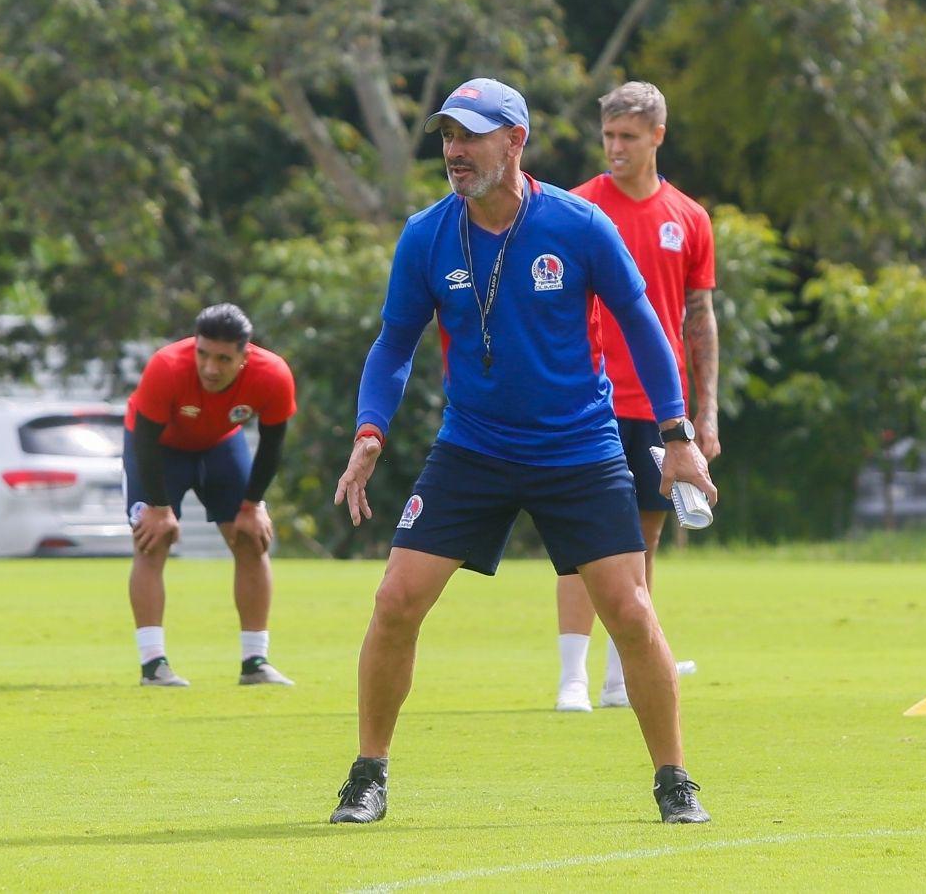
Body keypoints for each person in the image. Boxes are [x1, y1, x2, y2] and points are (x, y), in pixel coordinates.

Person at [329, 78, 718, 825]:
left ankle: (675, 781)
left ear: (515, 141)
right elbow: (393, 345)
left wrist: (677, 437)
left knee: (630, 611)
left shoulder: (579, 225)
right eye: (446, 136)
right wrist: (370, 430)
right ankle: (368, 774)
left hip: (578, 447)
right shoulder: (426, 235)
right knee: (394, 599)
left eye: (471, 135)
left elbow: (644, 326)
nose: (454, 151)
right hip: (472, 447)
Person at [555, 81, 719, 712]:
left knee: (640, 542)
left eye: (628, 136)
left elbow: (698, 319)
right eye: (608, 137)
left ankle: (621, 676)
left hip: (660, 408)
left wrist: (706, 412)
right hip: (587, 399)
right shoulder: (576, 210)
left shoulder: (689, 218)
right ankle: (572, 675)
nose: (616, 148)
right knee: (580, 541)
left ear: (658, 135)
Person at [123, 303, 297, 687]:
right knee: (153, 540)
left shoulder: (273, 375)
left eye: (223, 358)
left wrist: (252, 506)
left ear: (245, 355)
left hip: (220, 443)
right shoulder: (166, 366)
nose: (210, 368)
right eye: (203, 354)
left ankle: (256, 661)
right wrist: (159, 507)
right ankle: (154, 665)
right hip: (159, 448)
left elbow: (272, 445)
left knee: (251, 539)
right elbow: (145, 441)